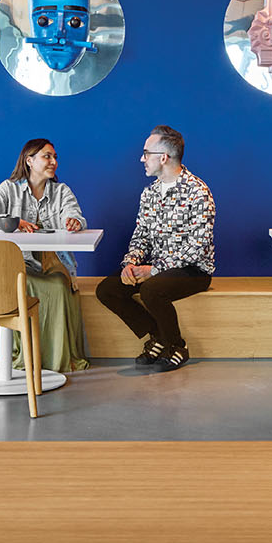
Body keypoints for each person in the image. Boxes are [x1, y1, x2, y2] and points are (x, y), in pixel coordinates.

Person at [95, 125, 215, 373]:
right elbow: (141, 236)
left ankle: (177, 346)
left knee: (151, 290)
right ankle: (157, 336)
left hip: (193, 271)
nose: (141, 159)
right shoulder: (148, 194)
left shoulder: (198, 191)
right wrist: (130, 264)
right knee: (107, 290)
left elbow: (198, 246)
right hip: (156, 270)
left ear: (163, 157)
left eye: (146, 153)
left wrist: (155, 269)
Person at [0, 139, 90, 374]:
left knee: (58, 285)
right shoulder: (8, 189)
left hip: (54, 261)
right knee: (20, 284)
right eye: (47, 156)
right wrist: (10, 222)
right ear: (29, 160)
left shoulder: (61, 191)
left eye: (55, 157)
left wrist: (75, 222)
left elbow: (75, 214)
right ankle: (26, 356)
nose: (54, 162)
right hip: (18, 263)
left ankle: (54, 362)